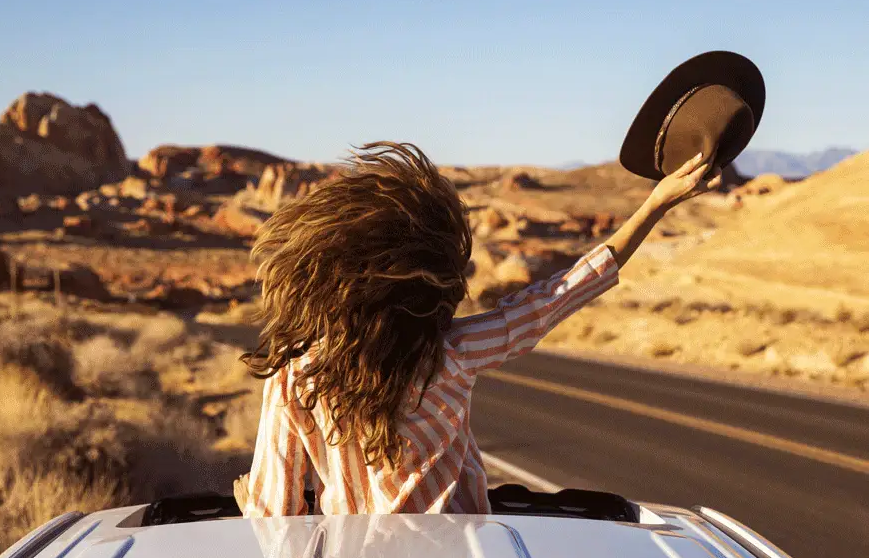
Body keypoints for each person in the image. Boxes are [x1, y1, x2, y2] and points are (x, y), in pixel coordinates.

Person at [235, 142, 722, 517]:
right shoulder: (454, 353)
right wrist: (656, 203)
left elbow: (274, 517)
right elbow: (558, 296)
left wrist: (249, 500)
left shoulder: (294, 379)